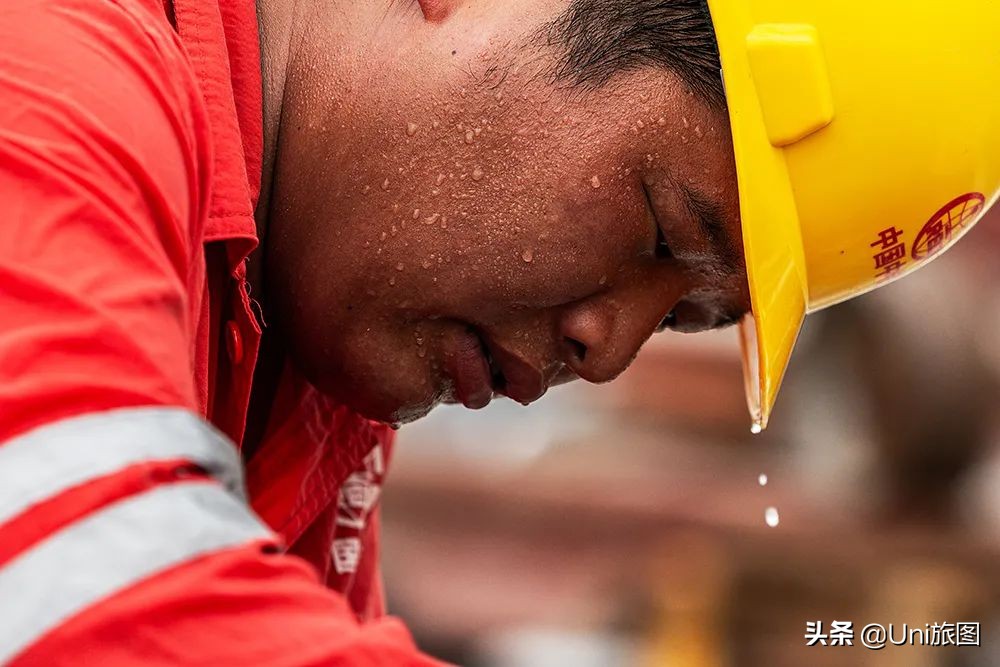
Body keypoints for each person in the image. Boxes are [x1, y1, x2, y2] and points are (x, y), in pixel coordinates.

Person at [0, 0, 995, 664]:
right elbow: (90, 595)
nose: (606, 352)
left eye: (685, 318)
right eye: (662, 229)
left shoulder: (294, 342)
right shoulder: (46, 80)